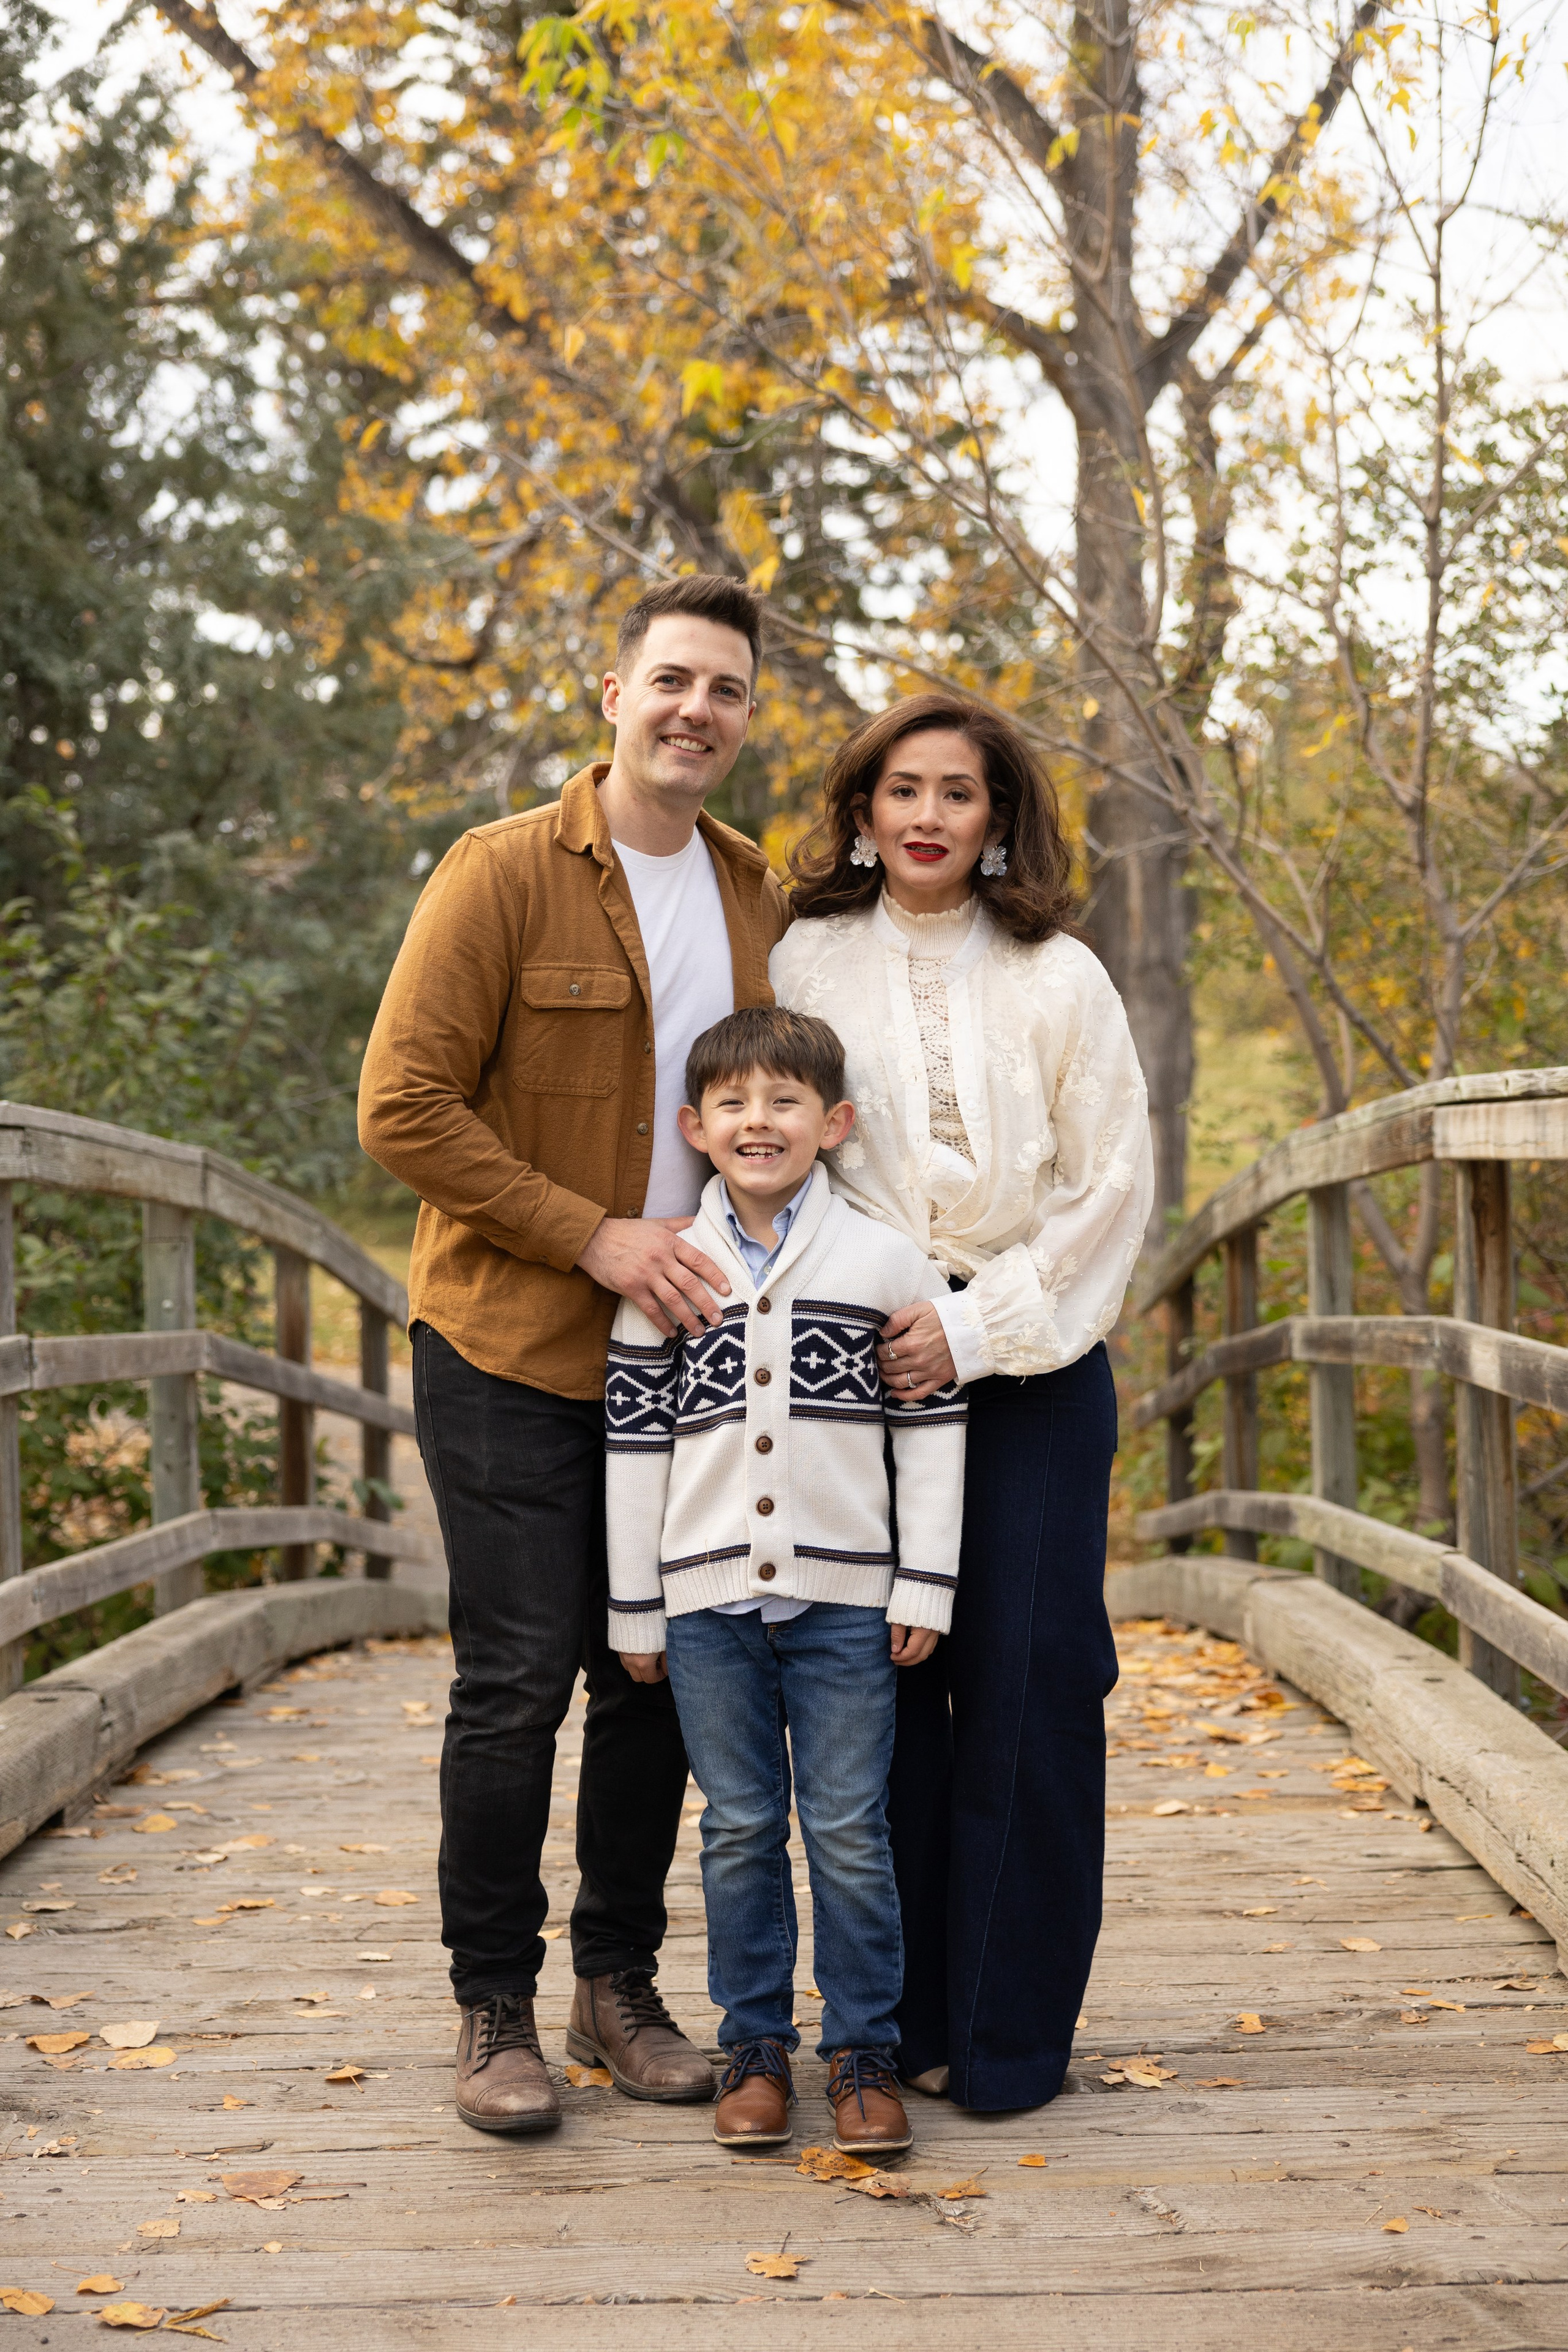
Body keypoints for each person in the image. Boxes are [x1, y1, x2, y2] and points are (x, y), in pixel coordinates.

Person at [357, 575, 792, 2133]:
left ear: (746, 719)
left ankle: (616, 1987)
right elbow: (401, 1108)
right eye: (670, 679)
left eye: (726, 690)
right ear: (610, 694)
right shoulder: (497, 874)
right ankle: (493, 2006)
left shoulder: (757, 899)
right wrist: (593, 1232)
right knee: (517, 1677)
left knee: (652, 1680)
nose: (695, 711)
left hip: (686, 1364)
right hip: (511, 1344)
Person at [769, 692, 1153, 2113]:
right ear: (861, 814)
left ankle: (1006, 2036)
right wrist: (872, 1314)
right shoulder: (804, 955)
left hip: (1035, 1365)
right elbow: (774, 1141)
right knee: (887, 1692)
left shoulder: (1060, 973)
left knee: (1034, 1687)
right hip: (854, 1376)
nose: (927, 816)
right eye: (900, 791)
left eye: (958, 794)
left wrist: (975, 1329)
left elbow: (1110, 1185)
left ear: (998, 821)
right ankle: (897, 2019)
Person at [605, 1006, 966, 2155]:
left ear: (834, 1122)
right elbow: (634, 1449)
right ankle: (753, 2045)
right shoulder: (670, 1272)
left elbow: (931, 1428)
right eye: (734, 1104)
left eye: (786, 1101)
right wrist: (632, 1601)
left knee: (852, 1827)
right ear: (695, 1128)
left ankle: (864, 2050)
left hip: (850, 1600)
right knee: (741, 1826)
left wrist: (926, 1582)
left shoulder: (883, 1259)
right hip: (705, 1599)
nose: (759, 1122)